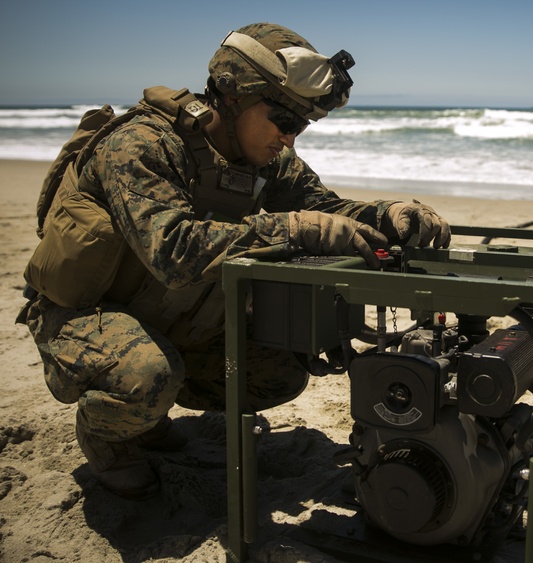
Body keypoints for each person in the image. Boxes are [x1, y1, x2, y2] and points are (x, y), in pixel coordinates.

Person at [16, 23, 452, 500]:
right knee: (146, 378)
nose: (290, 139)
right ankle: (109, 432)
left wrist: (389, 215)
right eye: (284, 121)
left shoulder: (266, 159)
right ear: (233, 97)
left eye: (301, 126)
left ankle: (148, 411)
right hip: (87, 314)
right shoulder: (143, 144)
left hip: (172, 312)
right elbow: (173, 250)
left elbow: (326, 210)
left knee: (280, 369)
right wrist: (292, 229)